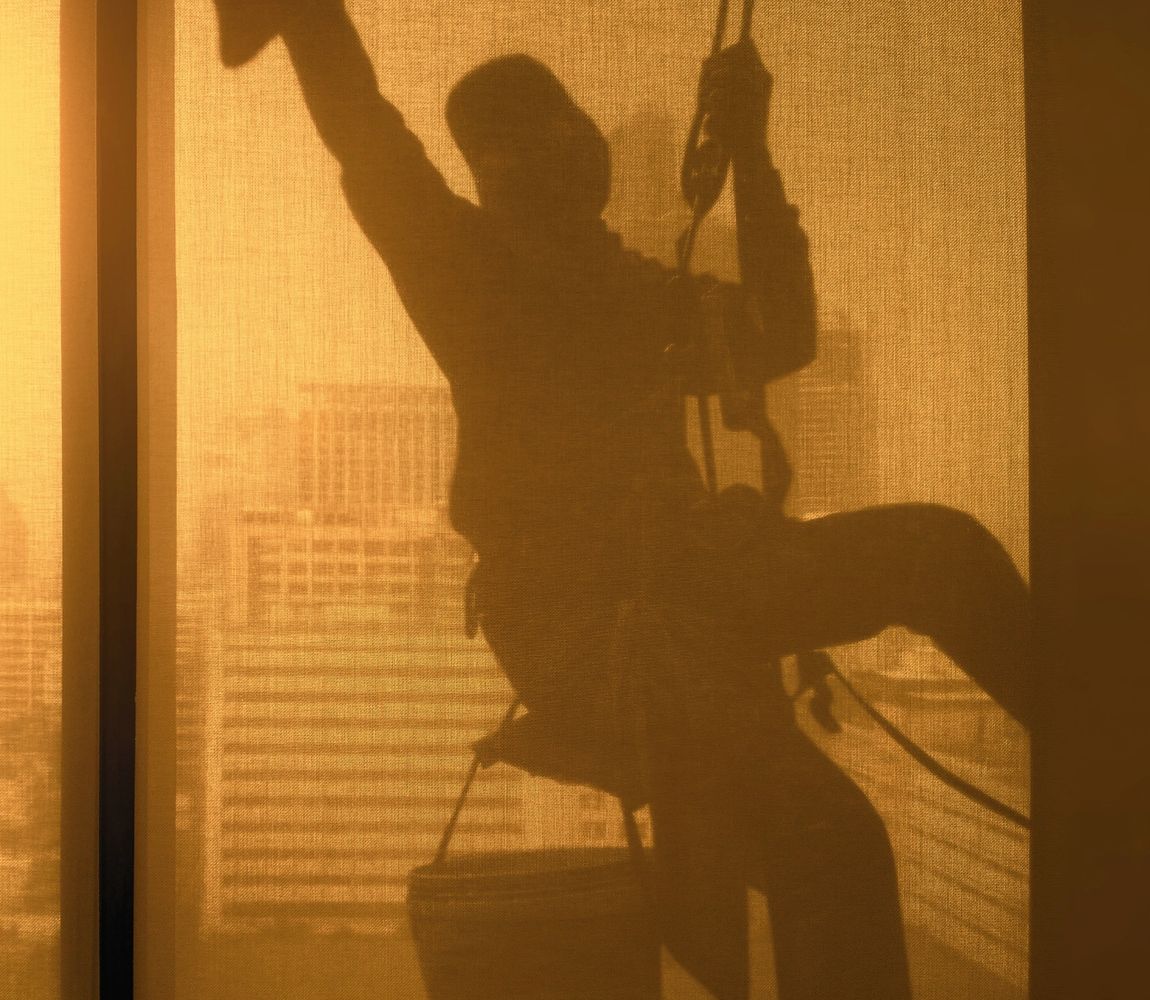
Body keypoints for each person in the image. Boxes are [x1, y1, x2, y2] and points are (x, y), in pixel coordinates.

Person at [214, 3, 1032, 997]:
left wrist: (753, 158)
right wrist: (305, 20)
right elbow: (360, 125)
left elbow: (778, 337)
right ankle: (1114, 744)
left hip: (677, 592)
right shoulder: (466, 267)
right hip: (606, 626)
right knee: (835, 833)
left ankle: (1104, 734)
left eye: (564, 123)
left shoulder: (626, 290)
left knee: (857, 776)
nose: (567, 144)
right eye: (538, 133)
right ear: (496, 171)